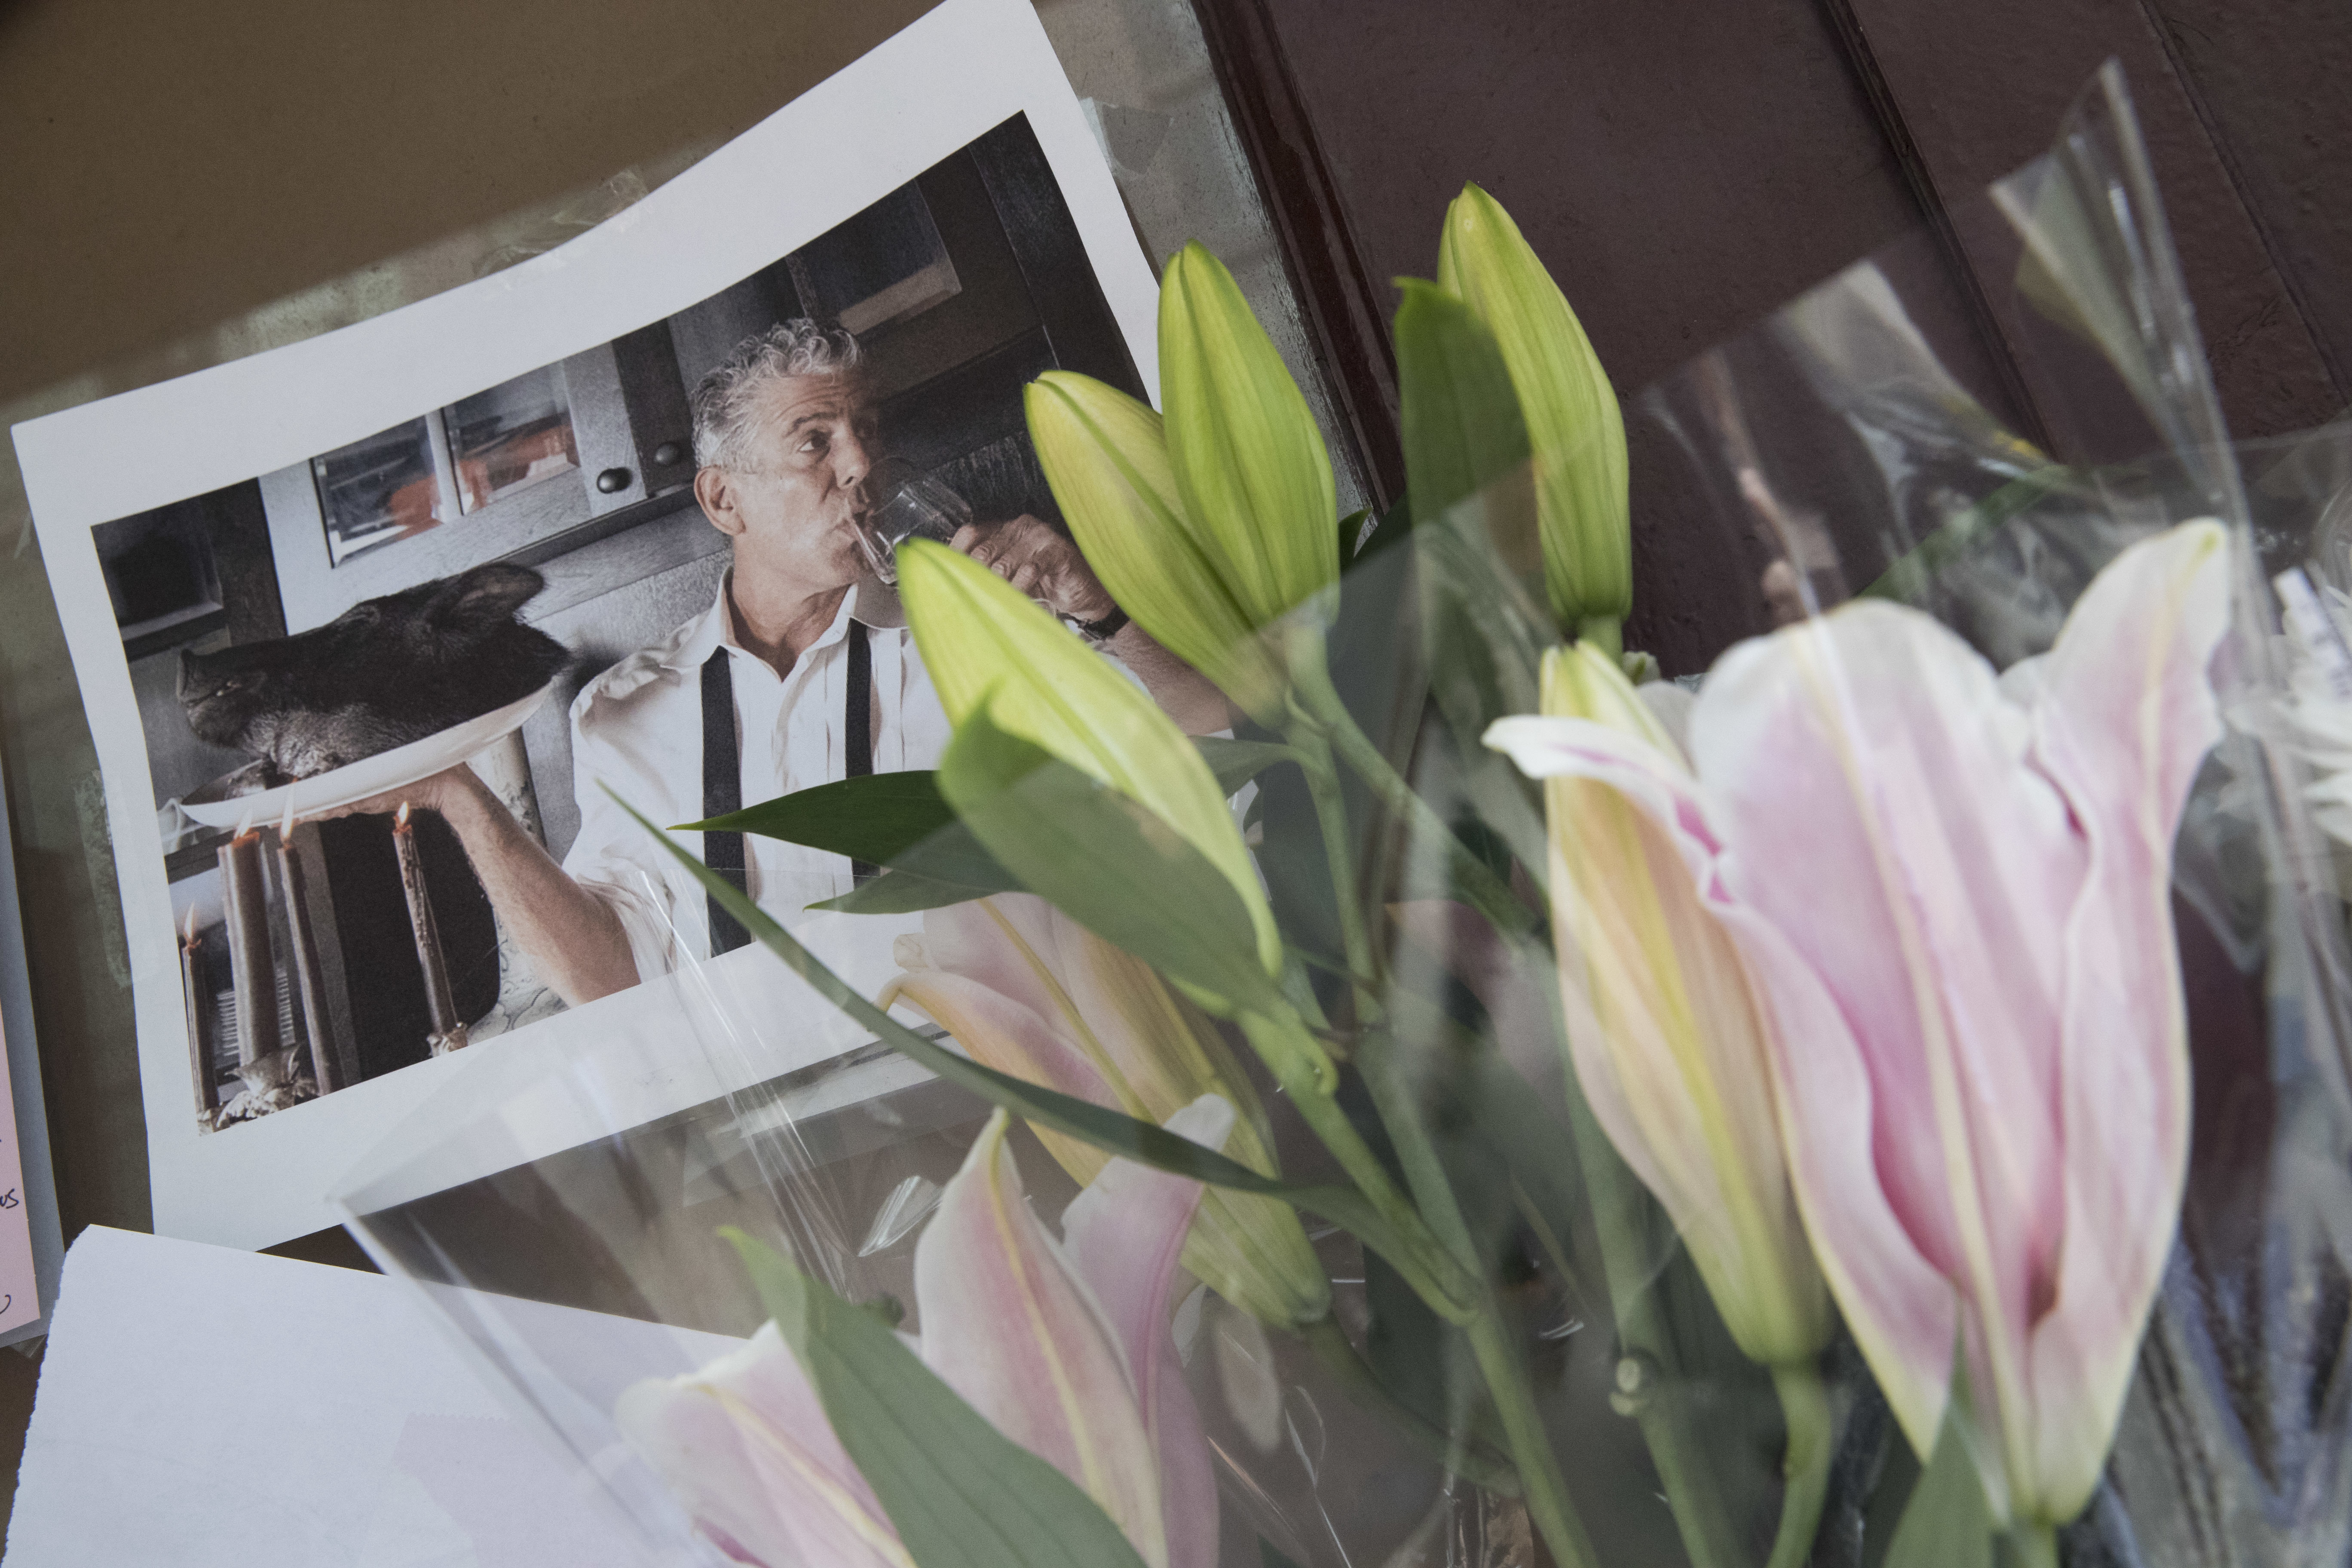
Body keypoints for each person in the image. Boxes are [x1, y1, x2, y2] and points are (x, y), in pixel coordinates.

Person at [375, 320, 1223, 1006]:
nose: (859, 464)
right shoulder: (620, 715)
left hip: (1026, 1091)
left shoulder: (981, 631)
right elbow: (614, 979)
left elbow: (1209, 740)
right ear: (723, 498)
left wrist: (1098, 605)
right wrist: (459, 793)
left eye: (867, 435)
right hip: (783, 1151)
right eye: (815, 441)